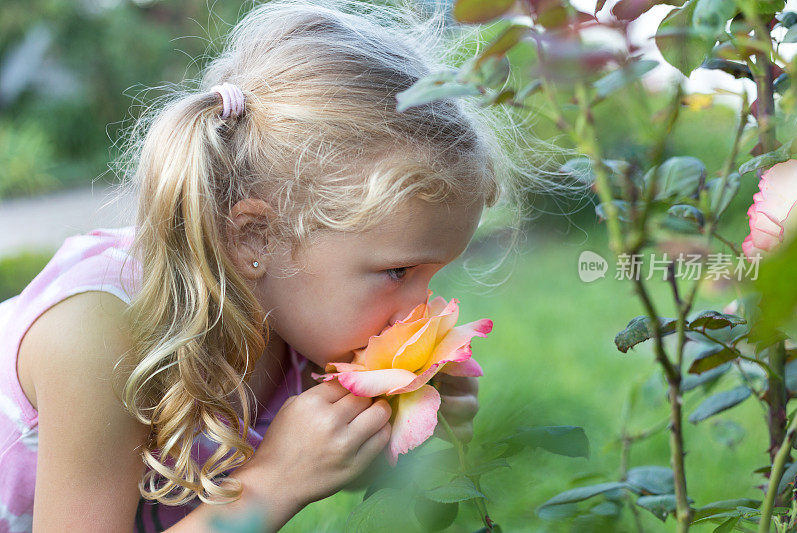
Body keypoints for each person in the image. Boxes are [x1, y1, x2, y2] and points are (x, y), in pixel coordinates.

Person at [0, 0, 557, 531]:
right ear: (254, 238)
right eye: (397, 272)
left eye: (434, 274)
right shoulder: (103, 335)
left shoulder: (293, 319)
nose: (419, 309)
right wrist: (274, 484)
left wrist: (381, 430)